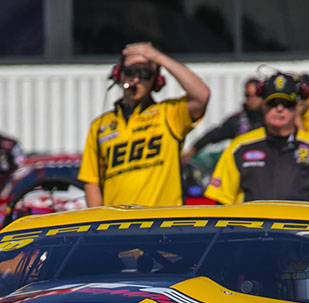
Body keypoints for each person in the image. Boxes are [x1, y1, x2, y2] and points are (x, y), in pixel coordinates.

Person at [78, 42, 210, 207]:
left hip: (162, 225)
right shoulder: (99, 126)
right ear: (119, 74)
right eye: (130, 71)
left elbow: (202, 95)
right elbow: (92, 182)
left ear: (156, 81)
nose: (136, 79)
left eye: (145, 74)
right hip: (118, 227)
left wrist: (159, 58)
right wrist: (98, 224)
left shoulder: (168, 114)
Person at [204, 73, 309, 205]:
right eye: (272, 103)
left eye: (287, 103)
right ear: (263, 106)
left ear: (298, 106)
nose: (279, 109)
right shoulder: (240, 147)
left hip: (301, 233)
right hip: (251, 232)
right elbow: (221, 201)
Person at [182, 78, 263, 162]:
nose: (251, 99)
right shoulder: (237, 120)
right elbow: (212, 135)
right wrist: (191, 152)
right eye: (247, 95)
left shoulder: (271, 118)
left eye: (255, 95)